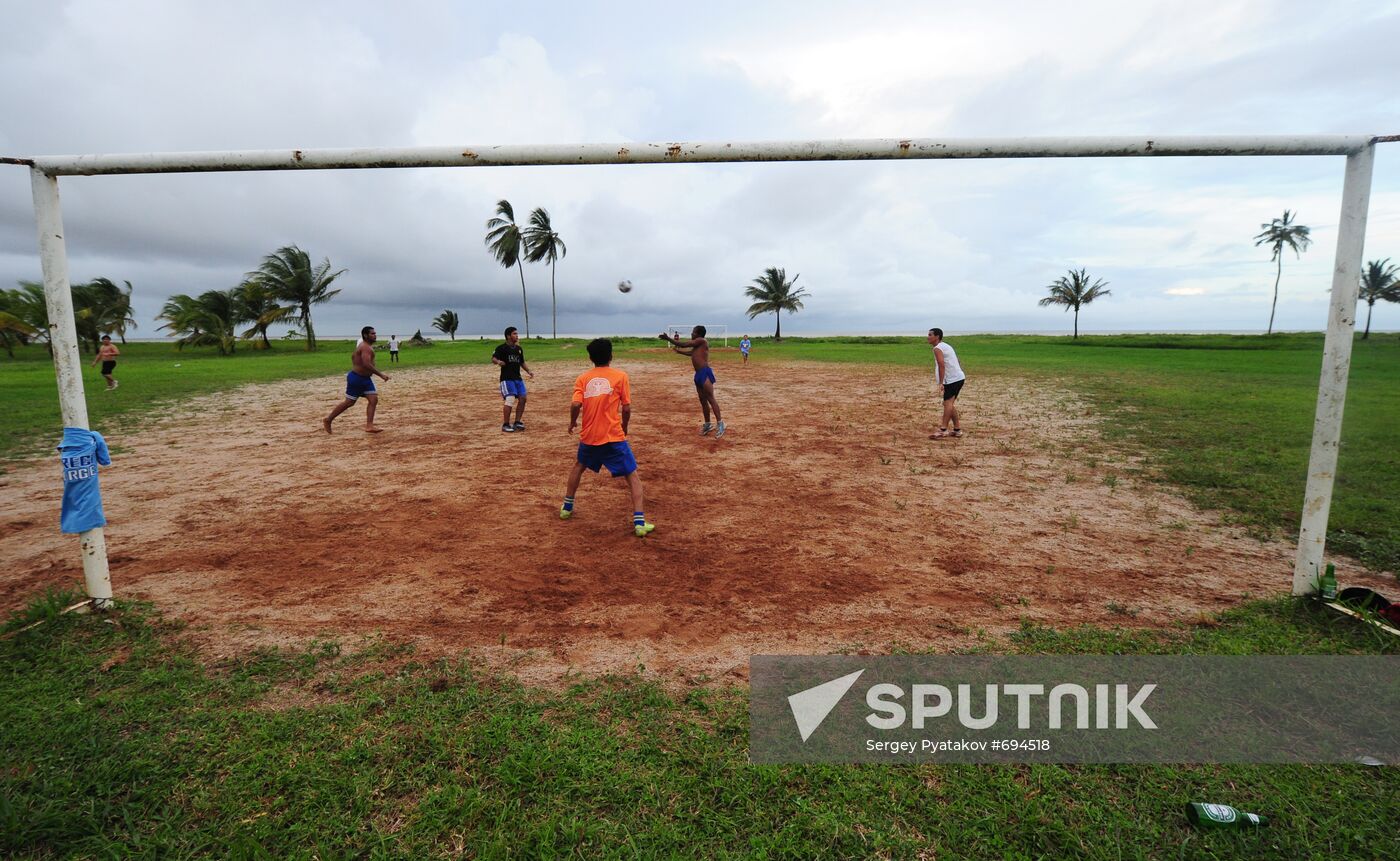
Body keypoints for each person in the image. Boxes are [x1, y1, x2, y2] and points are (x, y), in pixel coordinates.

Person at [561, 338, 655, 537]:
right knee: (632, 475)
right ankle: (639, 522)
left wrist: (572, 422)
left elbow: (576, 405)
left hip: (589, 436)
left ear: (590, 358)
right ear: (611, 356)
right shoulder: (621, 377)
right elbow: (627, 408)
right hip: (613, 436)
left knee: (579, 466)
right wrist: (625, 426)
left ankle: (566, 508)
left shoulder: (582, 379)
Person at [659, 325, 725, 438]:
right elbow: (692, 353)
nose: (691, 334)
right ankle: (708, 424)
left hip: (705, 373)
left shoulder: (701, 340)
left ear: (698, 334)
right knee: (703, 400)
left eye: (693, 332)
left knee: (710, 398)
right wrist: (680, 353)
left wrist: (668, 339)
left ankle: (720, 424)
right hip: (698, 374)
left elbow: (685, 344)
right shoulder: (698, 344)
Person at [323, 326, 390, 434]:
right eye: (372, 334)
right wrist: (381, 375)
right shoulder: (365, 347)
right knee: (349, 402)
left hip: (365, 379)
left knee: (373, 400)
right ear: (365, 335)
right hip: (357, 378)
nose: (375, 335)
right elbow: (366, 363)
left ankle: (369, 426)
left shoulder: (365, 346)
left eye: (375, 333)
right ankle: (328, 419)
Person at [492, 326, 534, 433]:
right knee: (510, 399)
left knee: (523, 398)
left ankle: (517, 422)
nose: (517, 336)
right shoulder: (501, 348)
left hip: (517, 378)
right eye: (514, 334)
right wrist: (498, 362)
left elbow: (521, 362)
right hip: (507, 379)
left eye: (517, 334)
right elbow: (493, 358)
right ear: (508, 336)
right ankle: (506, 424)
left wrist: (528, 371)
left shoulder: (518, 349)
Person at [927, 327, 966, 439]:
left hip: (952, 380)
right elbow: (957, 360)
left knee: (947, 403)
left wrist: (941, 382)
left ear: (937, 336)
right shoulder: (946, 346)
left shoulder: (937, 348)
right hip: (958, 378)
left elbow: (941, 365)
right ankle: (957, 430)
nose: (928, 337)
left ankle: (943, 430)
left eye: (930, 335)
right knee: (949, 404)